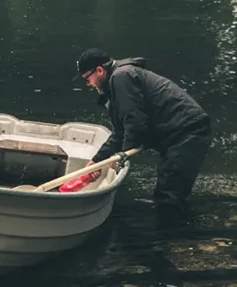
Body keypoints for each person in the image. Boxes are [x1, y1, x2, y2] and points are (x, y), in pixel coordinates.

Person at [72, 48, 212, 222]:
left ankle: (176, 241)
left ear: (100, 70)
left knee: (168, 195)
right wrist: (97, 160)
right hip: (175, 134)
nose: (89, 84)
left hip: (187, 131)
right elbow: (121, 131)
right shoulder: (118, 81)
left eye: (88, 78)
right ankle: (176, 235)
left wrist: (121, 155)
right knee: (167, 189)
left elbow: (135, 123)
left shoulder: (122, 77)